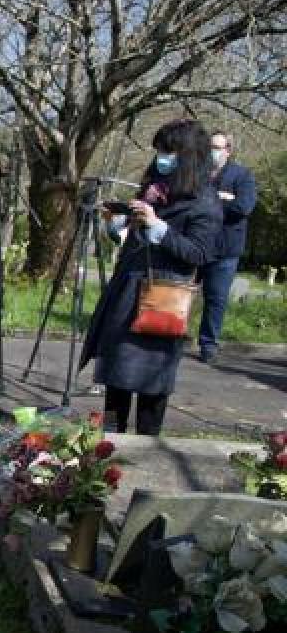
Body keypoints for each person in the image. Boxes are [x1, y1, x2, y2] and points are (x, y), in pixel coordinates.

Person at [80, 119, 221, 435]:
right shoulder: (154, 187)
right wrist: (120, 226)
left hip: (161, 301)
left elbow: (199, 253)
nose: (161, 157)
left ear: (187, 156)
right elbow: (137, 237)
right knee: (115, 380)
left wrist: (159, 226)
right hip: (126, 294)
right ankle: (109, 447)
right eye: (159, 150)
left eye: (168, 151)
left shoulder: (205, 202)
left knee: (151, 389)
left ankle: (147, 449)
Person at [196, 130, 257, 363]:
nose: (212, 151)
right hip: (195, 244)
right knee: (183, 290)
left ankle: (208, 344)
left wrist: (213, 203)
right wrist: (221, 200)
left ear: (228, 150)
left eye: (217, 147)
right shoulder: (198, 173)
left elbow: (243, 208)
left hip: (225, 249)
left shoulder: (242, 175)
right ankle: (172, 335)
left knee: (216, 298)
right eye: (210, 146)